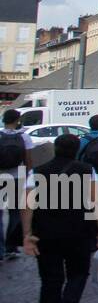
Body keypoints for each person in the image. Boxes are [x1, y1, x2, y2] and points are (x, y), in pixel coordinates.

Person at [21, 133, 98, 303]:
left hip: (46, 234)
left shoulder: (37, 172)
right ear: (76, 150)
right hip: (79, 232)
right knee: (78, 275)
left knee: (50, 282)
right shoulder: (87, 171)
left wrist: (27, 235)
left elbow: (27, 205)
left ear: (55, 149)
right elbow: (97, 205)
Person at [0, 109, 33, 260]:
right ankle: (11, 247)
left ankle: (0, 251)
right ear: (17, 120)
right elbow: (28, 161)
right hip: (17, 178)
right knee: (15, 213)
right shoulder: (24, 137)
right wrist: (28, 177)